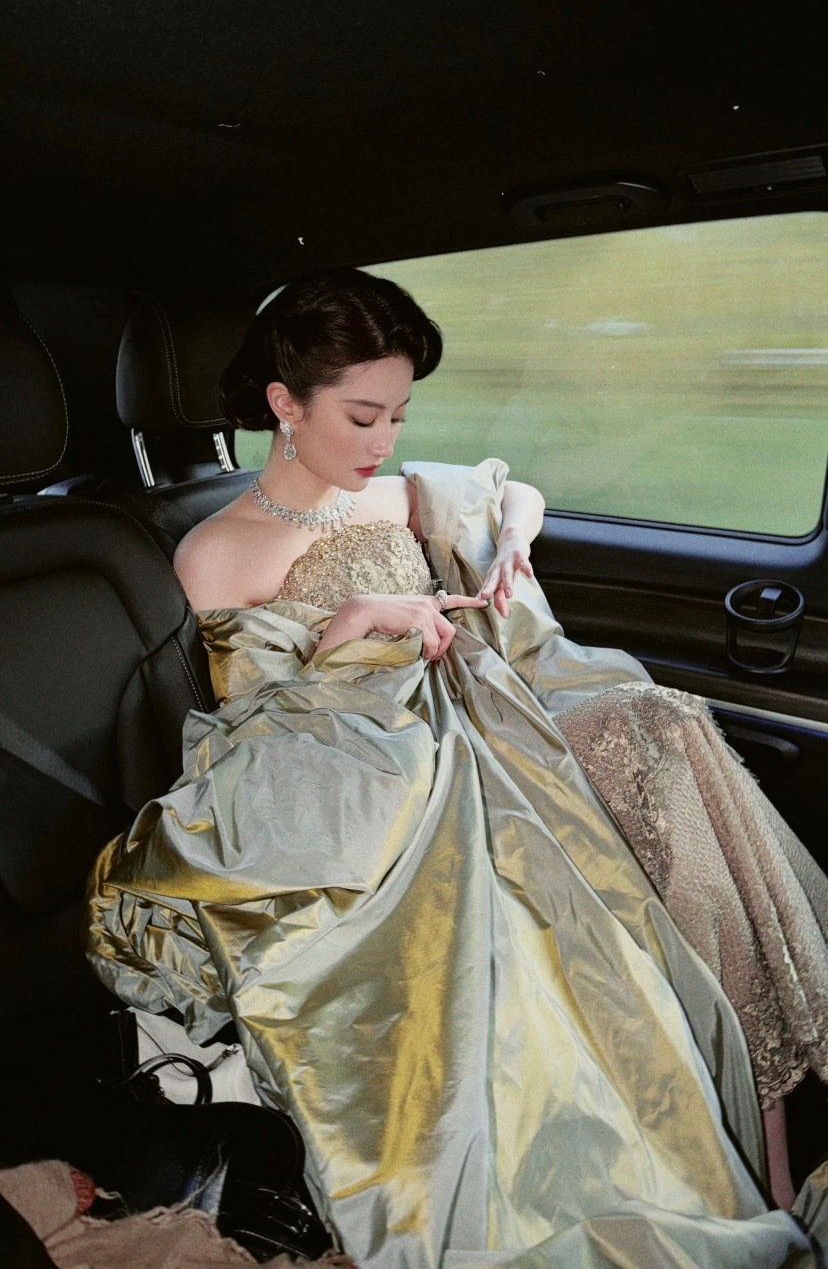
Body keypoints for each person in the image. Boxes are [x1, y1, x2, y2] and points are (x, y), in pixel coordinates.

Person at [87, 267, 828, 1268]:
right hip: (387, 772)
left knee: (665, 733)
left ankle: (760, 1162)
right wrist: (349, 631)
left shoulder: (393, 495)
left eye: (399, 416)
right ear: (285, 405)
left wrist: (513, 533)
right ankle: (706, 1172)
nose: (385, 441)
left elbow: (511, 490)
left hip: (496, 719)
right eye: (362, 417)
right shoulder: (216, 553)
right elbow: (263, 736)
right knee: (607, 805)